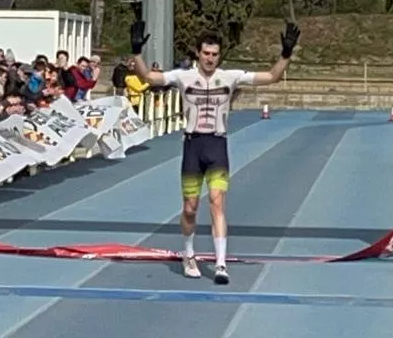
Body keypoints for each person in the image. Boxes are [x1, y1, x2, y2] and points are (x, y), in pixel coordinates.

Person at [127, 19, 298, 285]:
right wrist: (137, 52)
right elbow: (148, 77)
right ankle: (189, 254)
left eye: (215, 54)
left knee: (217, 203)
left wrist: (286, 54)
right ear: (198, 53)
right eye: (206, 53)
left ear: (220, 56)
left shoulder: (230, 77)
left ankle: (220, 264)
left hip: (217, 145)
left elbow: (272, 77)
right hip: (193, 146)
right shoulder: (183, 77)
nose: (210, 58)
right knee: (190, 208)